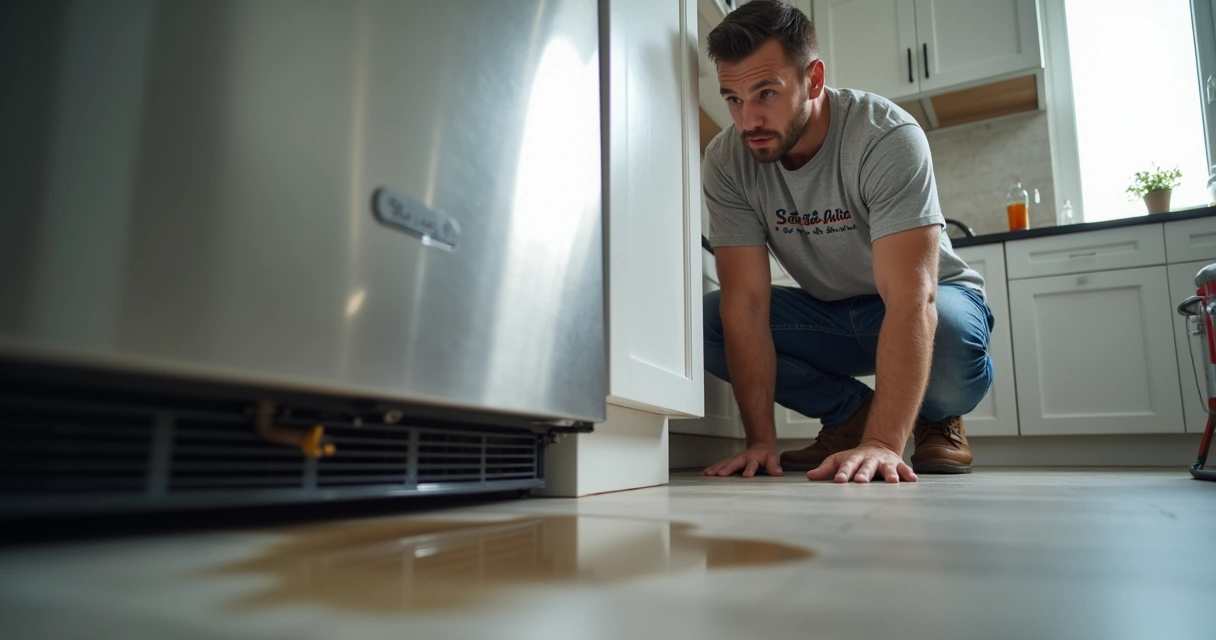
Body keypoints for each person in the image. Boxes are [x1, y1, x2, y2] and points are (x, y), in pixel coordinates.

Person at [699, 0, 993, 484]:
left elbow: (912, 299)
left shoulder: (885, 136)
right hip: (832, 315)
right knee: (709, 322)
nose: (747, 119)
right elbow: (746, 304)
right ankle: (849, 413)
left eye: (765, 93)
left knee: (952, 331)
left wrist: (883, 445)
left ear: (813, 80)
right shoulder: (728, 161)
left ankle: (934, 417)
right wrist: (760, 441)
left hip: (926, 304)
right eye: (733, 98)